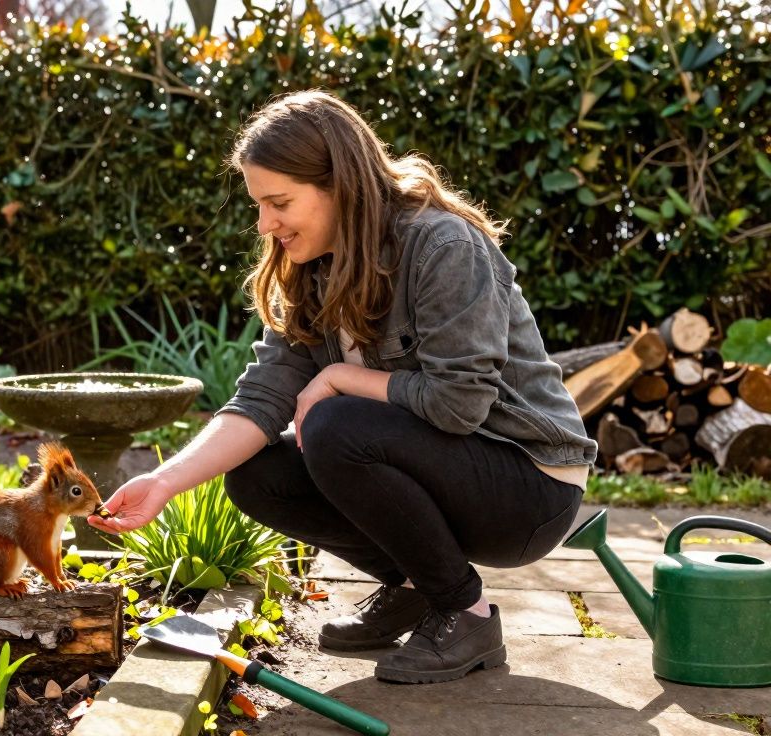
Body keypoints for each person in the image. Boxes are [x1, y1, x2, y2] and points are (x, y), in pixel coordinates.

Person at [86, 89, 595, 685]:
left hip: (528, 488)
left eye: (279, 203)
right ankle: (415, 586)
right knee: (258, 473)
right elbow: (260, 398)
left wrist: (340, 375)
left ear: (341, 187)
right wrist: (165, 482)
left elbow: (459, 406)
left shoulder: (443, 246)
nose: (265, 224)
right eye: (259, 205)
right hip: (450, 473)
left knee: (335, 425)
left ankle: (466, 613)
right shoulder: (315, 269)